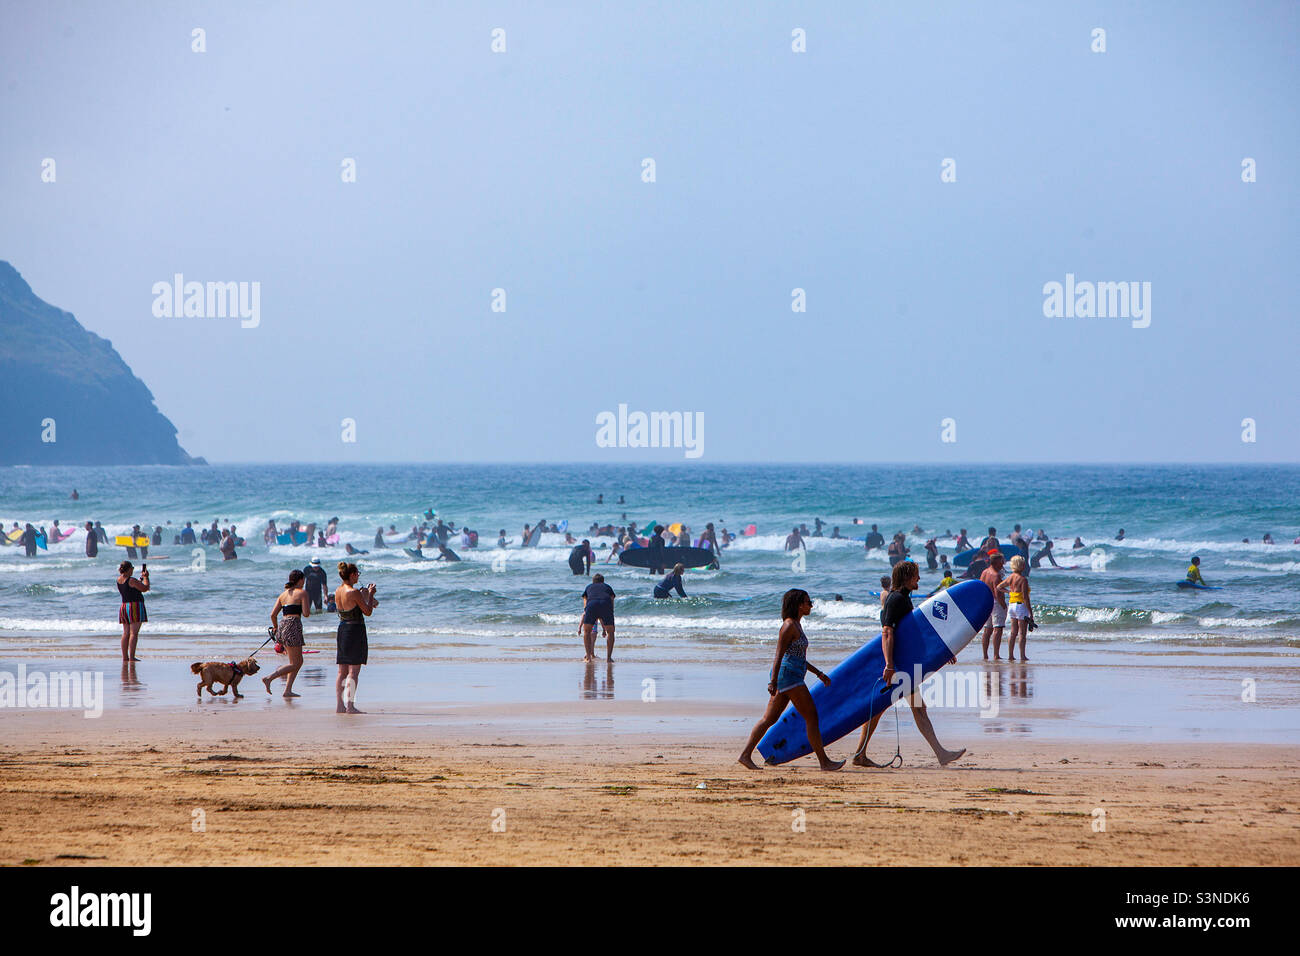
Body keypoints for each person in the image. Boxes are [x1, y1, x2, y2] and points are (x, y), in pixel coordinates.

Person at [852, 561, 965, 768]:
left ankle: (861, 754)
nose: (919, 579)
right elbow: (887, 632)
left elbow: (914, 633)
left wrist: (941, 652)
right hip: (898, 667)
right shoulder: (896, 600)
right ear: (906, 577)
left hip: (902, 665)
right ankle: (940, 754)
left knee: (902, 709)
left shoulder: (902, 599)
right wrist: (889, 665)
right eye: (916, 575)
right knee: (909, 709)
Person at [738, 588, 844, 772]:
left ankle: (745, 755)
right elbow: (779, 654)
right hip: (788, 676)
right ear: (798, 605)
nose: (811, 605)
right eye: (808, 602)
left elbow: (798, 656)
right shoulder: (789, 626)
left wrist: (818, 673)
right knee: (811, 716)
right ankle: (824, 762)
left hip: (789, 674)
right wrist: (773, 681)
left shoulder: (796, 624)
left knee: (769, 718)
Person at [334, 562, 377, 714]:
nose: (358, 575)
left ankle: (340, 705)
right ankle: (350, 705)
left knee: (342, 671)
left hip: (343, 628)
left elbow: (353, 606)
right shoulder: (353, 592)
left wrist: (365, 596)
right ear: (351, 575)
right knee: (354, 672)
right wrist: (370, 594)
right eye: (357, 573)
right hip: (355, 629)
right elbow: (368, 611)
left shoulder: (338, 590)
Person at [265, 569, 310, 697]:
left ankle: (288, 690)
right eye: (303, 580)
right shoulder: (302, 593)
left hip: (283, 625)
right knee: (296, 663)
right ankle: (269, 678)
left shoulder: (283, 595)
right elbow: (306, 614)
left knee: (294, 662)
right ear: (300, 580)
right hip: (294, 625)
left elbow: (273, 615)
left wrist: (275, 628)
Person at [998, 555, 1034, 661]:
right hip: (1020, 605)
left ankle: (1010, 655)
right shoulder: (1023, 579)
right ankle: (1022, 656)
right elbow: (1025, 597)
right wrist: (1030, 613)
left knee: (1013, 631)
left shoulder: (1010, 577)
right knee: (1022, 633)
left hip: (1012, 604)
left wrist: (1009, 592)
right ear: (1021, 566)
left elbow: (999, 587)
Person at [116, 560, 149, 661]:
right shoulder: (131, 580)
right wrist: (146, 578)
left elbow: (131, 588)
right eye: (132, 569)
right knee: (134, 633)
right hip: (134, 606)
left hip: (124, 606)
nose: (133, 570)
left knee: (126, 633)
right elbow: (145, 588)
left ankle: (125, 657)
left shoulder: (119, 579)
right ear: (129, 569)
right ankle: (132, 657)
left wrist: (140, 580)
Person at [580, 573, 616, 662]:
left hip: (592, 604)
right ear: (603, 581)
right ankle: (608, 658)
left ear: (593, 581)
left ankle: (588, 657)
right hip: (605, 604)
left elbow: (585, 599)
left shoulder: (589, 587)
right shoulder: (607, 587)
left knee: (587, 631)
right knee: (610, 632)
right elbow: (611, 599)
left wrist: (586, 609)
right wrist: (611, 611)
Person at [980, 551, 1008, 659]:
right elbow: (997, 593)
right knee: (998, 628)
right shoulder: (996, 576)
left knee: (987, 630)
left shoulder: (984, 572)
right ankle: (996, 654)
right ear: (996, 562)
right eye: (1001, 561)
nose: (1003, 564)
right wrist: (1003, 605)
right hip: (996, 603)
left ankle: (985, 655)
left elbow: (981, 587)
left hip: (986, 602)